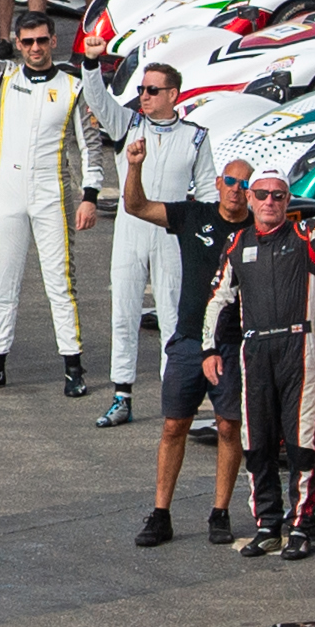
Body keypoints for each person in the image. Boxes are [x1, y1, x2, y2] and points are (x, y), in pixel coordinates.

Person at [206, 141, 315, 558]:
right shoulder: (237, 243)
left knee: (300, 442)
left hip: (298, 344)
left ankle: (301, 524)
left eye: (278, 196)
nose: (270, 202)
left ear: (287, 201)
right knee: (256, 442)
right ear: (250, 198)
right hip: (255, 348)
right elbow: (219, 299)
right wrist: (209, 348)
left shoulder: (305, 237)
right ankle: (267, 524)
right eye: (262, 195)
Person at [0, 0, 98, 399]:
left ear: (53, 41)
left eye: (42, 41)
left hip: (53, 195)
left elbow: (91, 146)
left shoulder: (72, 87)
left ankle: (73, 365)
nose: (35, 48)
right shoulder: (5, 79)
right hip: (8, 195)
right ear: (16, 42)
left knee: (59, 283)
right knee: (3, 279)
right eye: (27, 41)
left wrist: (91, 195)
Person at [116, 129, 246, 547]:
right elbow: (135, 206)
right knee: (174, 425)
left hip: (232, 344)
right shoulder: (195, 216)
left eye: (245, 185)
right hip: (189, 340)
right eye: (231, 182)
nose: (237, 192)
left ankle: (220, 512)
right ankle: (160, 514)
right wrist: (134, 166)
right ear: (218, 184)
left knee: (228, 426)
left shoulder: (257, 230)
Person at [85, 56, 221, 427]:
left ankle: (172, 395)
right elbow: (96, 97)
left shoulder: (195, 136)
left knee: (172, 317)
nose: (143, 96)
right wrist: (90, 62)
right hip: (130, 232)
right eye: (142, 89)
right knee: (123, 312)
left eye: (152, 90)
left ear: (172, 94)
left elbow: (209, 193)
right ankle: (121, 395)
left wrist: (206, 239)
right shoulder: (128, 124)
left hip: (171, 234)